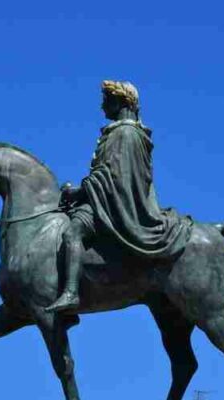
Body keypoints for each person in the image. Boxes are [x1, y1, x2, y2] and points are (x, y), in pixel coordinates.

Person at [46, 80, 191, 313]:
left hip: (116, 203)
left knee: (73, 231)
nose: (102, 106)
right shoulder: (123, 132)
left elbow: (114, 176)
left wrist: (80, 190)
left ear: (121, 102)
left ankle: (71, 292)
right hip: (106, 197)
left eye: (107, 100)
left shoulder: (125, 133)